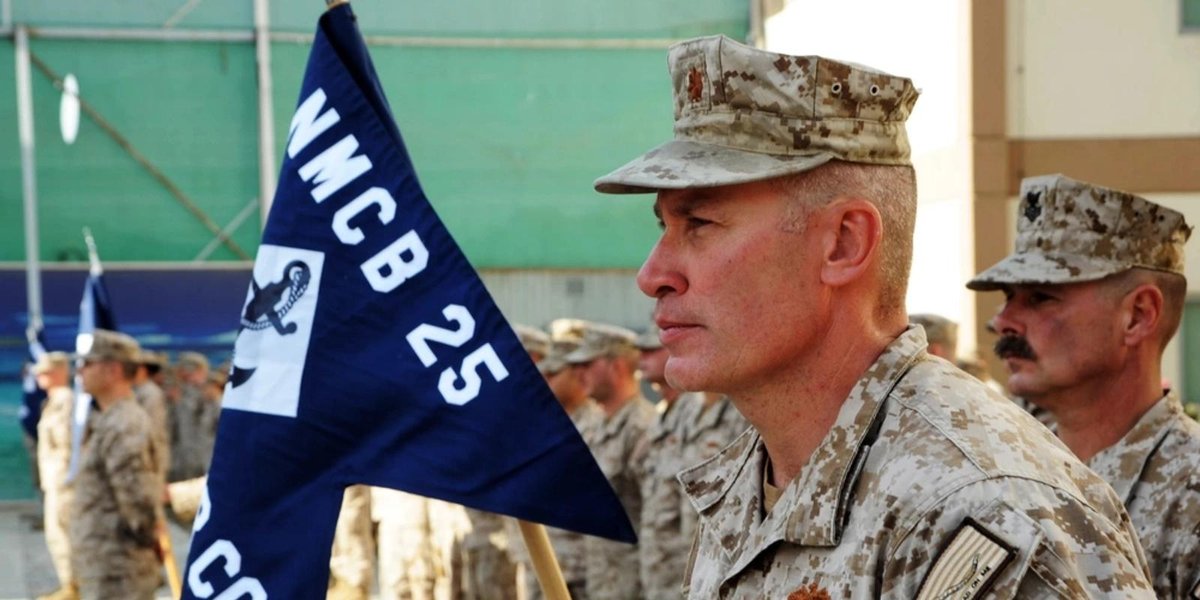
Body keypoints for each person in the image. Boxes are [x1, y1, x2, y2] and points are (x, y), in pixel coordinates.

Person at [594, 35, 1153, 596]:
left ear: (842, 243)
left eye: (701, 225)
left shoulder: (985, 510)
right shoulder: (759, 474)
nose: (654, 274)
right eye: (662, 227)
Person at [969, 174, 1200, 597]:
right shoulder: (1000, 467)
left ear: (1137, 316)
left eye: (1040, 296)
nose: (1002, 321)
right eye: (1008, 295)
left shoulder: (1190, 492)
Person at [70, 330, 164, 599]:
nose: (80, 372)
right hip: (105, 564)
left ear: (112, 369)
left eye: (87, 364)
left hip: (119, 569)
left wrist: (149, 543)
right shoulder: (111, 418)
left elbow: (139, 503)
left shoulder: (124, 424)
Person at [566, 322, 655, 600]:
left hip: (634, 587)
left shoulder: (640, 428)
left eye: (588, 364)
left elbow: (654, 520)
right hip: (601, 583)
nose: (578, 373)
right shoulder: (601, 427)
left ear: (616, 366)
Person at [630, 325, 705, 600]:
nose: (642, 358)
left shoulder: (697, 413)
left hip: (685, 577)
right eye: (640, 351)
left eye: (651, 350)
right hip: (654, 575)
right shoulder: (660, 418)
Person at [33, 352, 78, 600]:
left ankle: (73, 587)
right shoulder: (54, 400)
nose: (40, 376)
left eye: (45, 371)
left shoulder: (65, 400)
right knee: (57, 534)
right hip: (55, 479)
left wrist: (66, 481)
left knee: (63, 534)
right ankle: (70, 584)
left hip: (63, 481)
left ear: (60, 372)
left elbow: (68, 444)